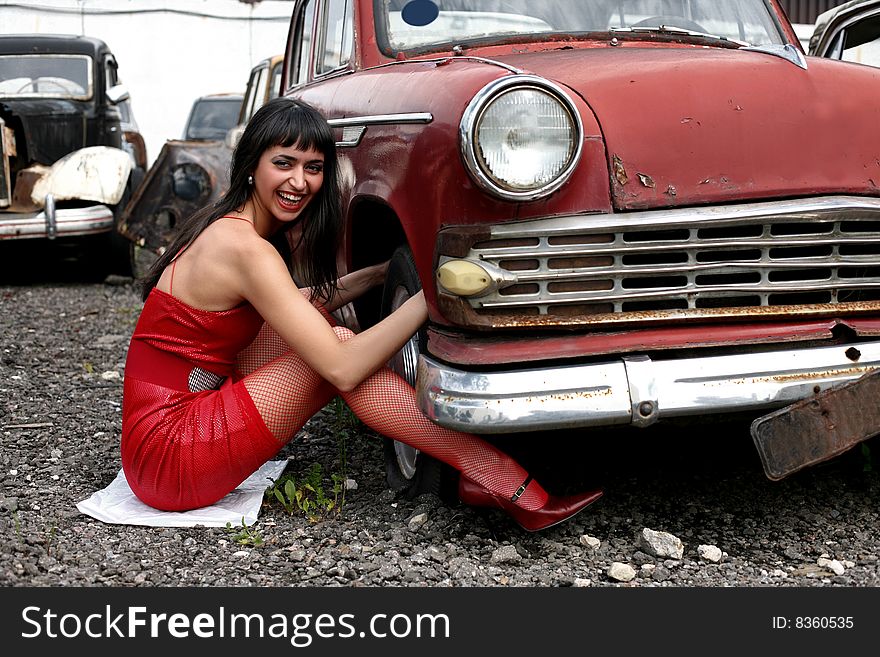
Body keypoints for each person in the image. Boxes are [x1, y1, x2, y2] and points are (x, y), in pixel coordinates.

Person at [121, 96, 602, 532]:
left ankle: (483, 476)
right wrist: (429, 296)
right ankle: (497, 475)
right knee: (340, 351)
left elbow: (291, 306)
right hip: (170, 456)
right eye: (283, 164)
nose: (299, 182)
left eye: (313, 168)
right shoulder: (245, 249)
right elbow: (341, 368)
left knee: (320, 330)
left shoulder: (226, 228)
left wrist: (377, 274)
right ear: (251, 165)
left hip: (161, 436)